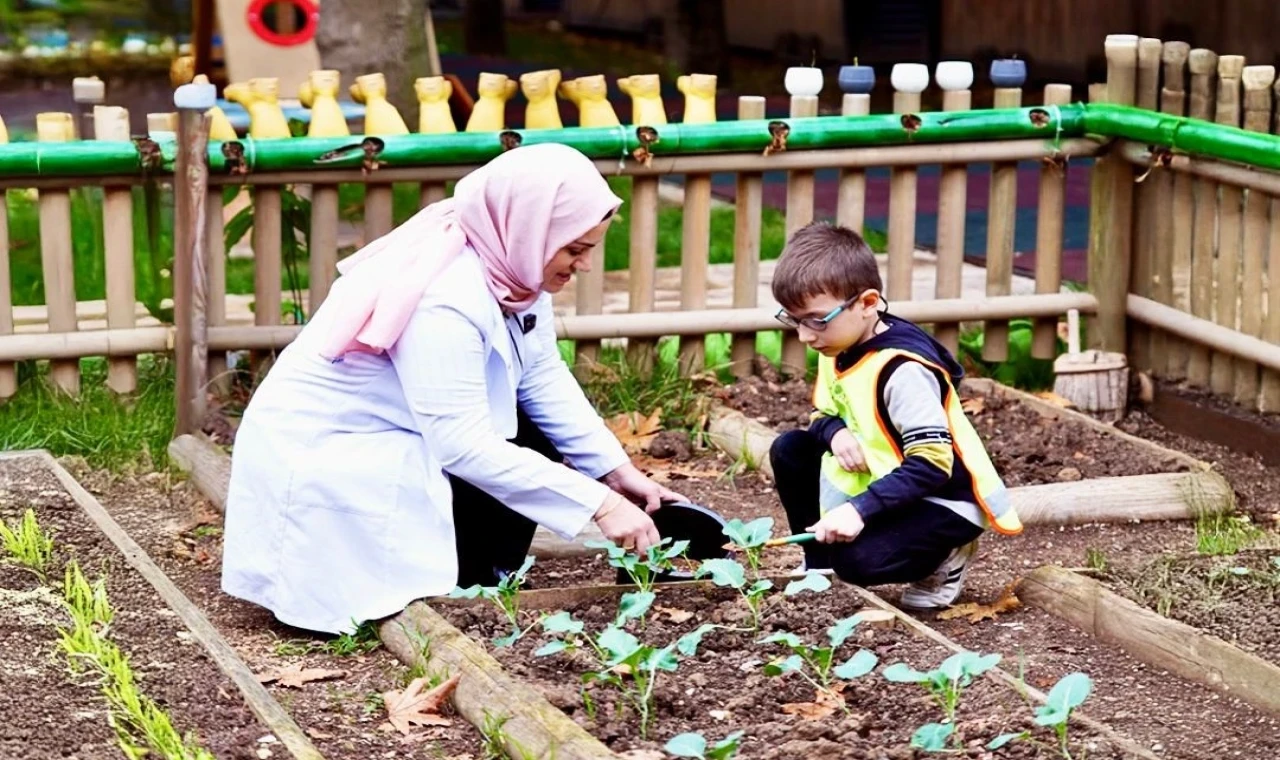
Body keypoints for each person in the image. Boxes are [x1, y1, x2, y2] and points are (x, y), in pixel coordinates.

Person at [220, 143, 684, 635]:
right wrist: (600, 506)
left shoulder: (512, 268)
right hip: (334, 454)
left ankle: (478, 581)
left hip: (405, 430)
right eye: (575, 249)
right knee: (496, 448)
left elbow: (541, 374)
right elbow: (462, 446)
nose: (585, 265)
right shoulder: (442, 298)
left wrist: (614, 471)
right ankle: (461, 586)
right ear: (527, 231)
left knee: (528, 429)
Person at [766, 221, 1022, 609]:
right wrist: (835, 432)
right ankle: (818, 570)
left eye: (816, 319)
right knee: (791, 448)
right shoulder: (837, 343)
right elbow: (822, 412)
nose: (804, 336)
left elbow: (933, 466)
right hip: (887, 479)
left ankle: (945, 557)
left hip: (943, 498)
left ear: (867, 303)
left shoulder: (903, 371)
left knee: (856, 561)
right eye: (794, 320)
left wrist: (858, 509)